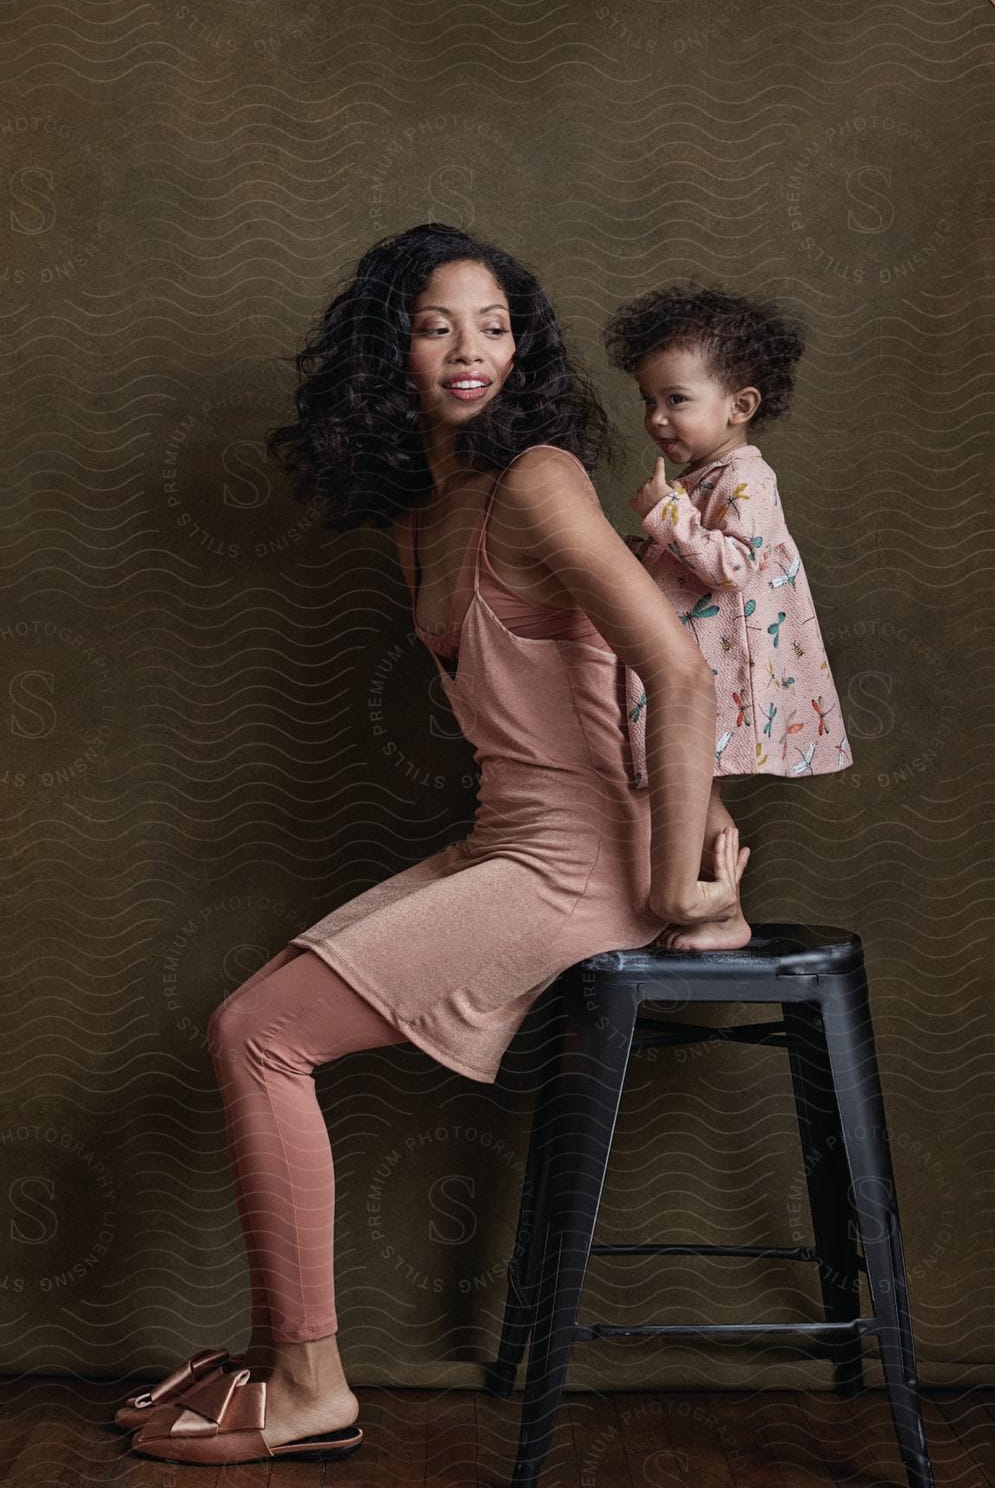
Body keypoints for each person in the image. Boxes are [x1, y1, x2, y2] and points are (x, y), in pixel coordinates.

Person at [121, 224, 751, 1465]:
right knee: (250, 1028)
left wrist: (681, 874)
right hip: (504, 840)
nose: (471, 353)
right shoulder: (426, 512)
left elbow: (675, 673)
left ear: (525, 347)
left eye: (496, 326)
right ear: (385, 350)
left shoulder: (538, 480)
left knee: (258, 1035)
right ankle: (278, 1358)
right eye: (435, 325)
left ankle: (311, 1387)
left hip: (581, 866)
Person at [603, 282, 852, 955]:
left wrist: (665, 517)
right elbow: (684, 566)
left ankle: (722, 911)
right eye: (648, 402)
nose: (656, 419)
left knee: (688, 787)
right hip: (690, 665)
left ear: (739, 406)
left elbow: (732, 565)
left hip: (720, 672)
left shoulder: (746, 479)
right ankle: (705, 905)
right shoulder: (702, 480)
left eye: (675, 400)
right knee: (679, 789)